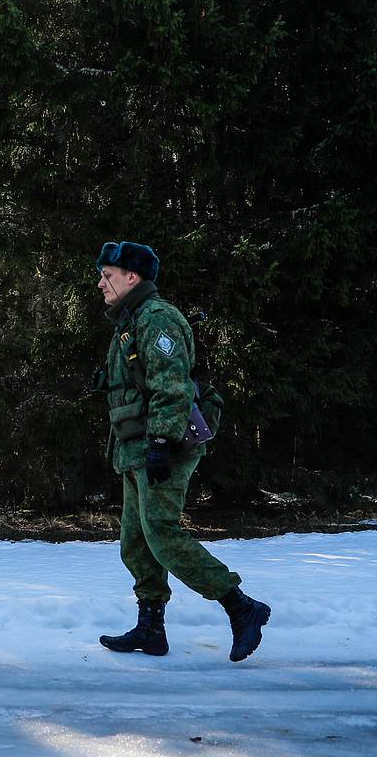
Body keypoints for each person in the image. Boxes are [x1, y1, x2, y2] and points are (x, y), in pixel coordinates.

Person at [94, 241, 271, 662]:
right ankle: (150, 628)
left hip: (162, 447)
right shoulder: (129, 321)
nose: (100, 283)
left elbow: (171, 384)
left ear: (131, 277)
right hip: (136, 448)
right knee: (135, 542)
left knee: (163, 534)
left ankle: (242, 607)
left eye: (108, 275)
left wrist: (160, 441)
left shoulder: (157, 318)